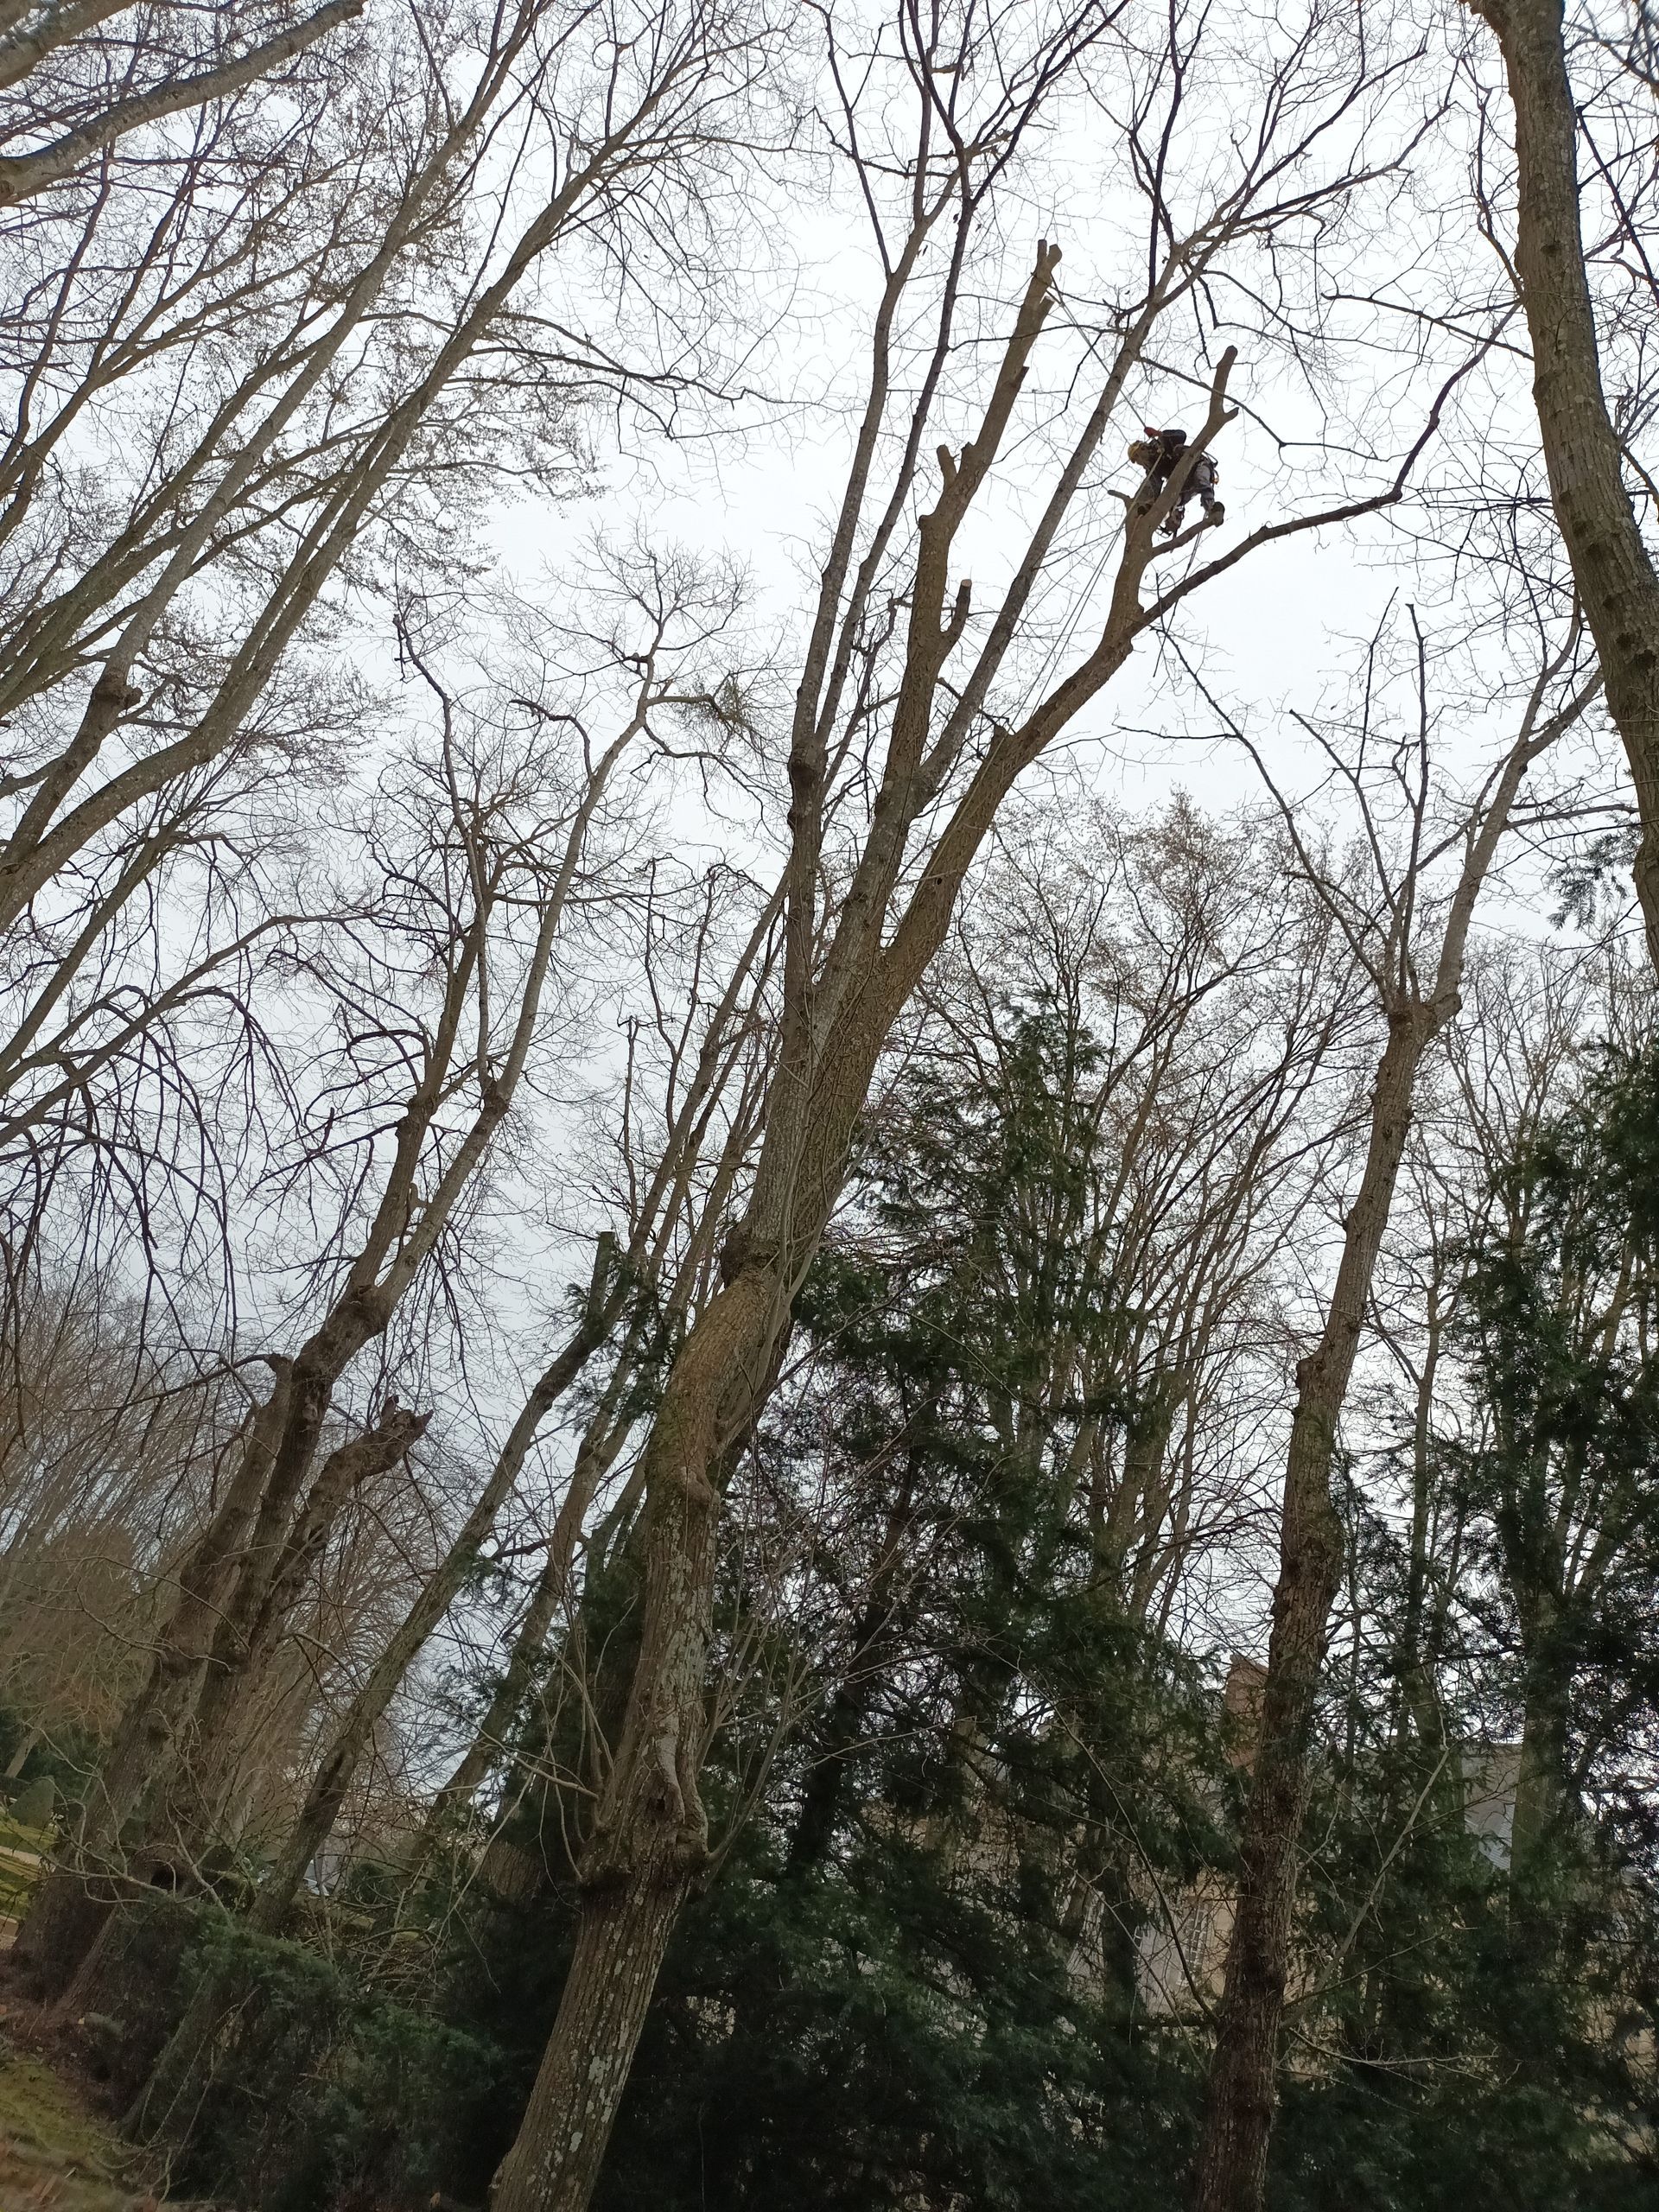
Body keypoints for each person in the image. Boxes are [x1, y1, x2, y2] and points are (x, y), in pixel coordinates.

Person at [1127, 424, 1224, 533]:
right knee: (1171, 497)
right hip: (1183, 483)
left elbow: (1181, 435)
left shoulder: (1160, 444)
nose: (1140, 462)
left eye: (1138, 456)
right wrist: (1152, 505)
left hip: (1196, 464)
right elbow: (1156, 487)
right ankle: (1166, 518)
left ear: (1143, 448)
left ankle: (1213, 508)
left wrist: (1160, 434)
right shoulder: (1152, 470)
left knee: (1200, 480)